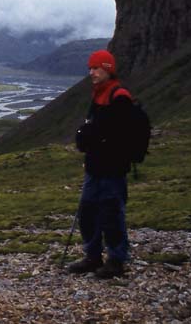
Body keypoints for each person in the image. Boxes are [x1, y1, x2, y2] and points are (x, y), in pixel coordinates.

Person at [68, 49, 132, 279]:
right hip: (95, 166)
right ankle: (92, 256)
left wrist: (94, 142)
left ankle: (116, 260)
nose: (92, 72)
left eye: (96, 68)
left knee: (111, 212)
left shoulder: (119, 96)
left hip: (112, 168)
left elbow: (121, 135)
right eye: (90, 68)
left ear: (107, 69)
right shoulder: (98, 94)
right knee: (88, 210)